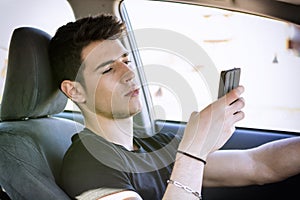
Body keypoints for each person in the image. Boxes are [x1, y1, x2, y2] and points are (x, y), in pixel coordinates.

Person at [49, 14, 300, 200]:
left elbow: (258, 165)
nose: (129, 73)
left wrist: (193, 152)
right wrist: (193, 152)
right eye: (108, 69)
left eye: (126, 61)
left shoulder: (156, 146)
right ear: (75, 91)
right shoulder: (88, 163)